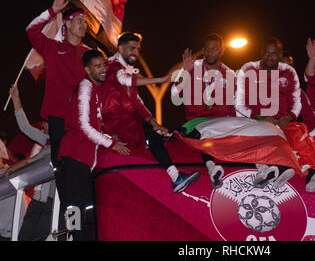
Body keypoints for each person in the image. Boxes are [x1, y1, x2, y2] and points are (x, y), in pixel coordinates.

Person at [102, 32, 200, 193]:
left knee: (158, 134)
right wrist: (161, 80)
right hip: (115, 128)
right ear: (120, 48)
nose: (135, 52)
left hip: (127, 125)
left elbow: (137, 102)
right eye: (131, 48)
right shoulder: (112, 66)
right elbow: (124, 80)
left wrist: (155, 123)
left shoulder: (127, 69)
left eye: (137, 49)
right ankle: (176, 178)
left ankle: (175, 178)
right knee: (154, 137)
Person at [25, 0, 91, 213]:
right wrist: (53, 11)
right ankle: (70, 214)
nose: (84, 25)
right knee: (61, 167)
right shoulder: (53, 48)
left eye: (85, 22)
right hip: (59, 120)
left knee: (83, 168)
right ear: (68, 24)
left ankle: (85, 215)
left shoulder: (90, 55)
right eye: (80, 21)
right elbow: (31, 30)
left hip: (82, 123)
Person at [57, 50, 130, 241]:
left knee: (88, 208)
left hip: (84, 158)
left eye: (104, 65)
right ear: (87, 70)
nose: (103, 69)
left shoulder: (94, 90)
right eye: (98, 66)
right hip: (75, 155)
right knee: (76, 207)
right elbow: (82, 125)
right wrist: (111, 143)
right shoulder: (85, 87)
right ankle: (76, 238)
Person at [235, 37, 315, 190]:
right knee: (267, 135)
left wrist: (289, 116)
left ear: (280, 54)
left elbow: (297, 102)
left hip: (283, 122)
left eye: (274, 54)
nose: (269, 58)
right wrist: (258, 116)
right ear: (261, 53)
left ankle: (311, 173)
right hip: (258, 121)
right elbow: (238, 103)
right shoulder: (249, 69)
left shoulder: (289, 72)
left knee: (299, 132)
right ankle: (275, 169)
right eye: (266, 54)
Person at [171, 33, 236, 188]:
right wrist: (185, 72)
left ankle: (263, 168)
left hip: (220, 124)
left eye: (214, 49)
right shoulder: (192, 67)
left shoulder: (230, 74)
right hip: (196, 123)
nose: (210, 52)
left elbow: (235, 106)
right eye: (207, 49)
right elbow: (174, 94)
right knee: (204, 131)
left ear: (222, 50)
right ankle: (212, 169)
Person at [7, 84, 56, 241]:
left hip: (51, 204)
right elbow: (25, 128)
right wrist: (16, 98)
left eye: (45, 123)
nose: (42, 126)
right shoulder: (47, 140)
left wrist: (15, 166)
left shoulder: (59, 145)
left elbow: (32, 161)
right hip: (38, 200)